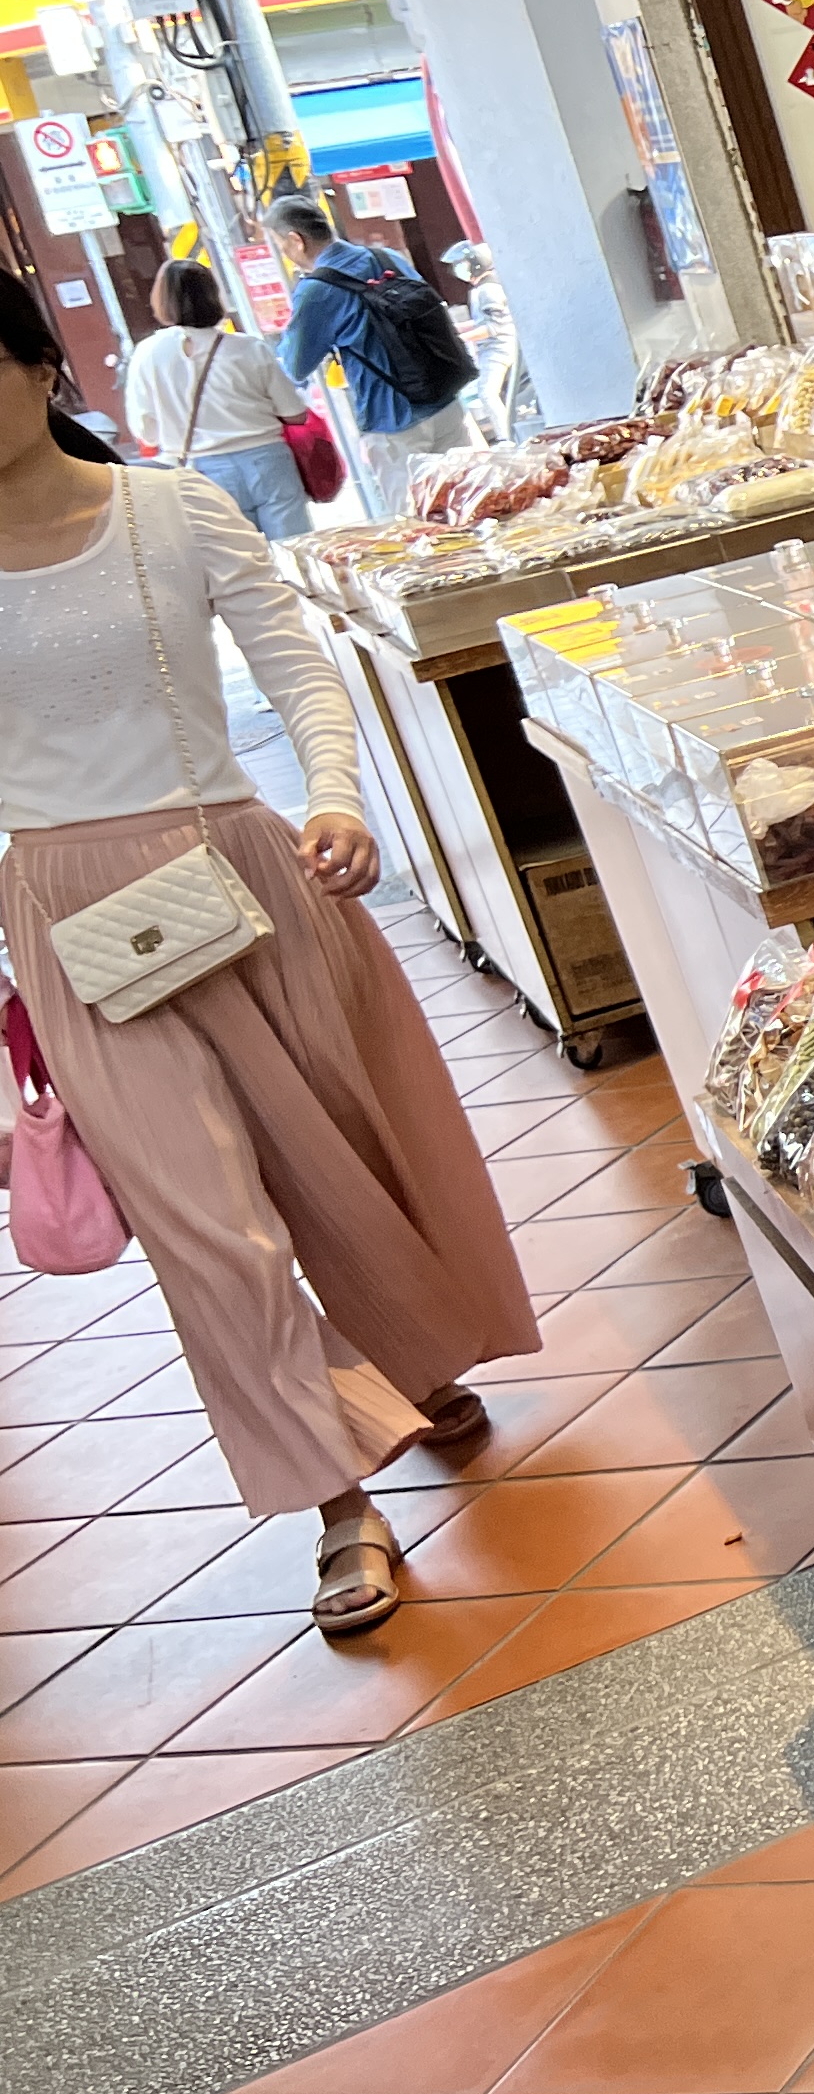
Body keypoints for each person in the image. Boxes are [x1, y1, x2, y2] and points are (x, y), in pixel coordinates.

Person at [0, 271, 538, 1636]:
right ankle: (336, 1502)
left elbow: (296, 665)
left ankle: (413, 1356)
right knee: (207, 1224)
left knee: (337, 1154)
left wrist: (339, 798)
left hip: (242, 871)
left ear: (38, 366)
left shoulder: (170, 509)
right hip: (67, 919)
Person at [271, 195, 477, 513]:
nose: (285, 254)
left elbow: (295, 365)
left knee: (416, 521)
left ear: (296, 240)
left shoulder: (316, 291)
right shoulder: (386, 257)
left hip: (393, 422)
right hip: (445, 400)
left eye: (280, 245)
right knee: (468, 503)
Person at [122, 258, 318, 545]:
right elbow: (295, 413)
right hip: (268, 462)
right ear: (213, 296)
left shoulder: (146, 355)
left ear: (161, 300)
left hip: (201, 474)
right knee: (295, 550)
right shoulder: (249, 348)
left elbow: (146, 432)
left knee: (240, 556)